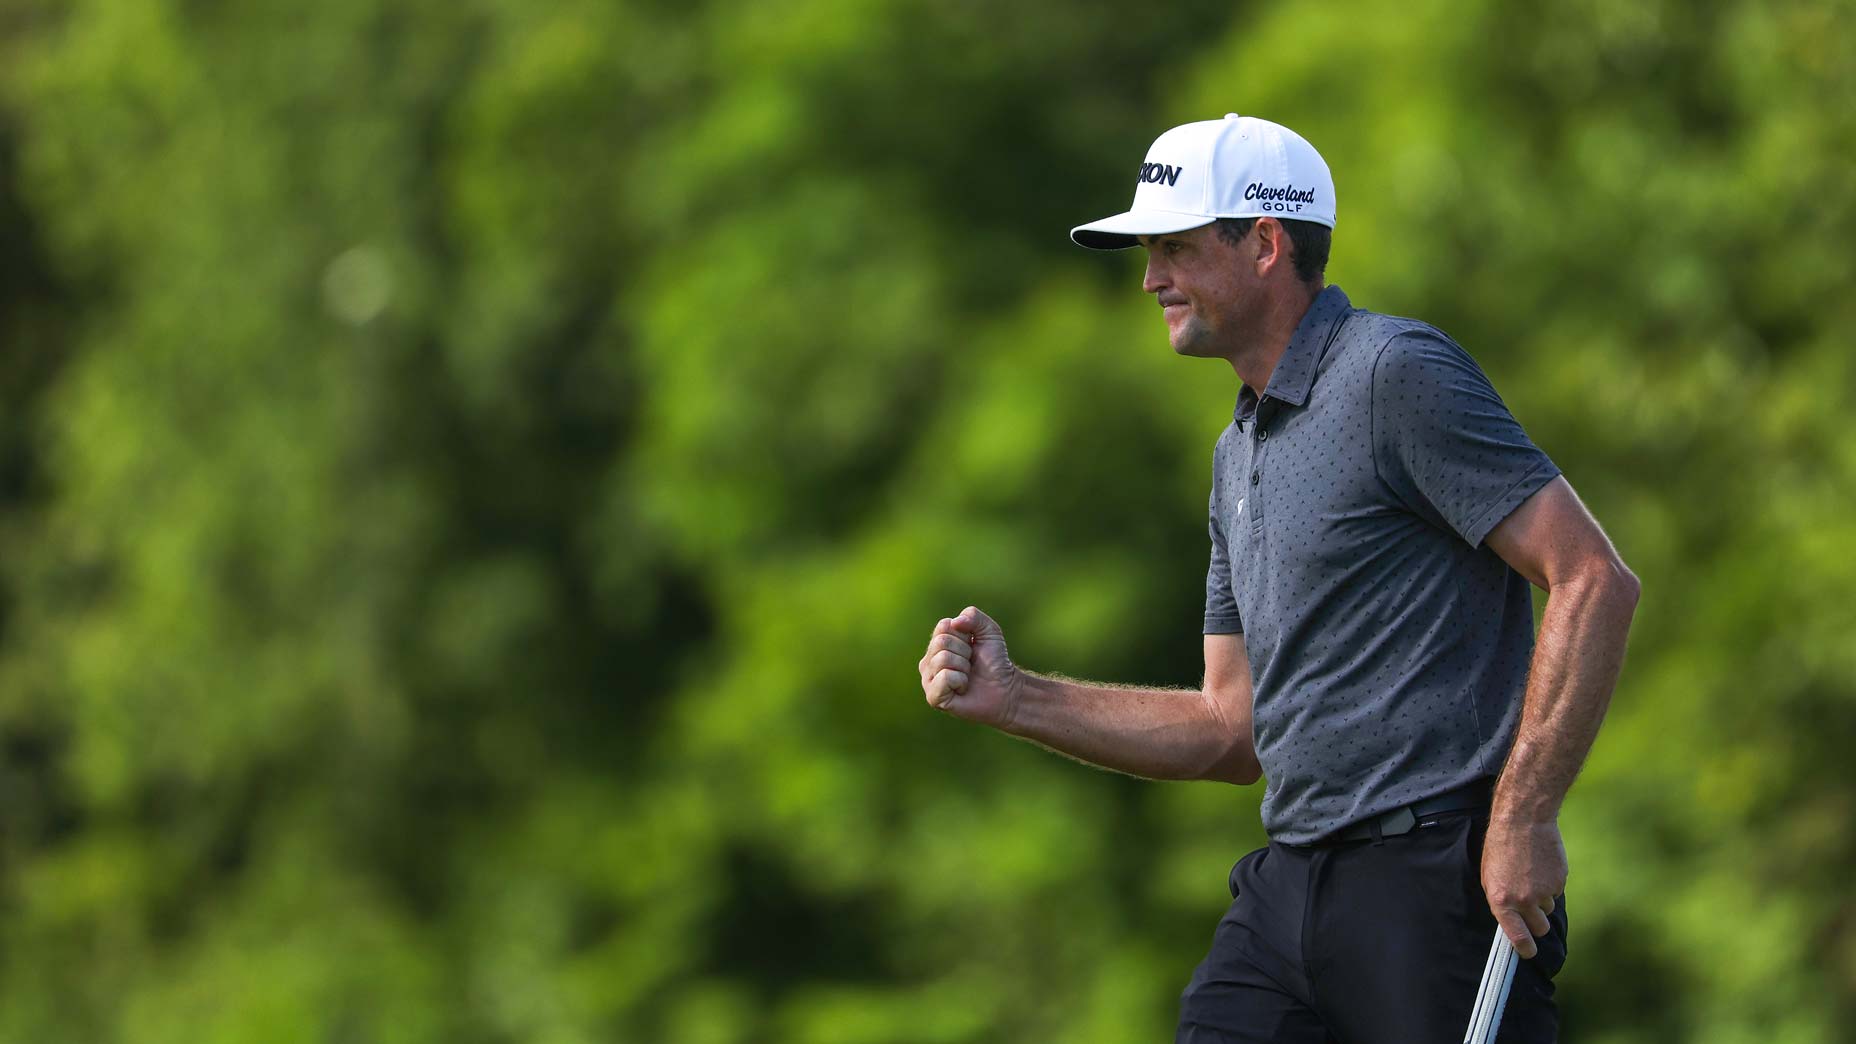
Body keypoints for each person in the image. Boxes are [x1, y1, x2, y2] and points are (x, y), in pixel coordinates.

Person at [915, 115, 1640, 1042]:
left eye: (1174, 247)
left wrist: (1527, 815)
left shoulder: (1394, 372)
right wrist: (1019, 699)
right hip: (1288, 887)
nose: (1150, 279)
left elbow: (1591, 577)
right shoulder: (1236, 450)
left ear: (1264, 243)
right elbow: (1231, 729)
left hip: (1436, 889)